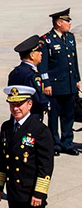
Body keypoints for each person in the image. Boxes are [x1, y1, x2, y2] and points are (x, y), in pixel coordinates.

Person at [0, 85, 54, 208]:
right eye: (12, 104)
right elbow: (2, 158)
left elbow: (46, 165)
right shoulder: (6, 127)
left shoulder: (39, 130)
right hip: (14, 192)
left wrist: (39, 192)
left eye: (20, 104)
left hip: (31, 193)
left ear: (30, 104)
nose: (16, 108)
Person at [38, 8, 80, 156]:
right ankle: (54, 144)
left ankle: (67, 143)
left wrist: (77, 79)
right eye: (67, 21)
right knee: (54, 116)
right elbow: (43, 65)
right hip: (54, 85)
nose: (70, 23)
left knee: (69, 115)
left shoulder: (70, 37)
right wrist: (46, 83)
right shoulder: (46, 40)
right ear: (58, 23)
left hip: (69, 84)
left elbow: (73, 61)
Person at [8, 35, 50, 122]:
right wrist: (47, 104)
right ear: (32, 55)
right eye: (38, 51)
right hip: (32, 116)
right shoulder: (33, 75)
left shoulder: (14, 72)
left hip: (17, 115)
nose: (41, 53)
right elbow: (38, 98)